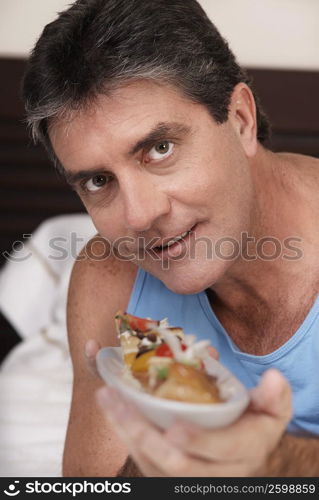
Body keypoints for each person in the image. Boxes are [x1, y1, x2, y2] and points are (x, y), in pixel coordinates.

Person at [22, 0, 319, 477]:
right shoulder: (110, 277)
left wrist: (279, 465)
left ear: (240, 119)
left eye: (159, 149)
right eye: (98, 181)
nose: (138, 216)